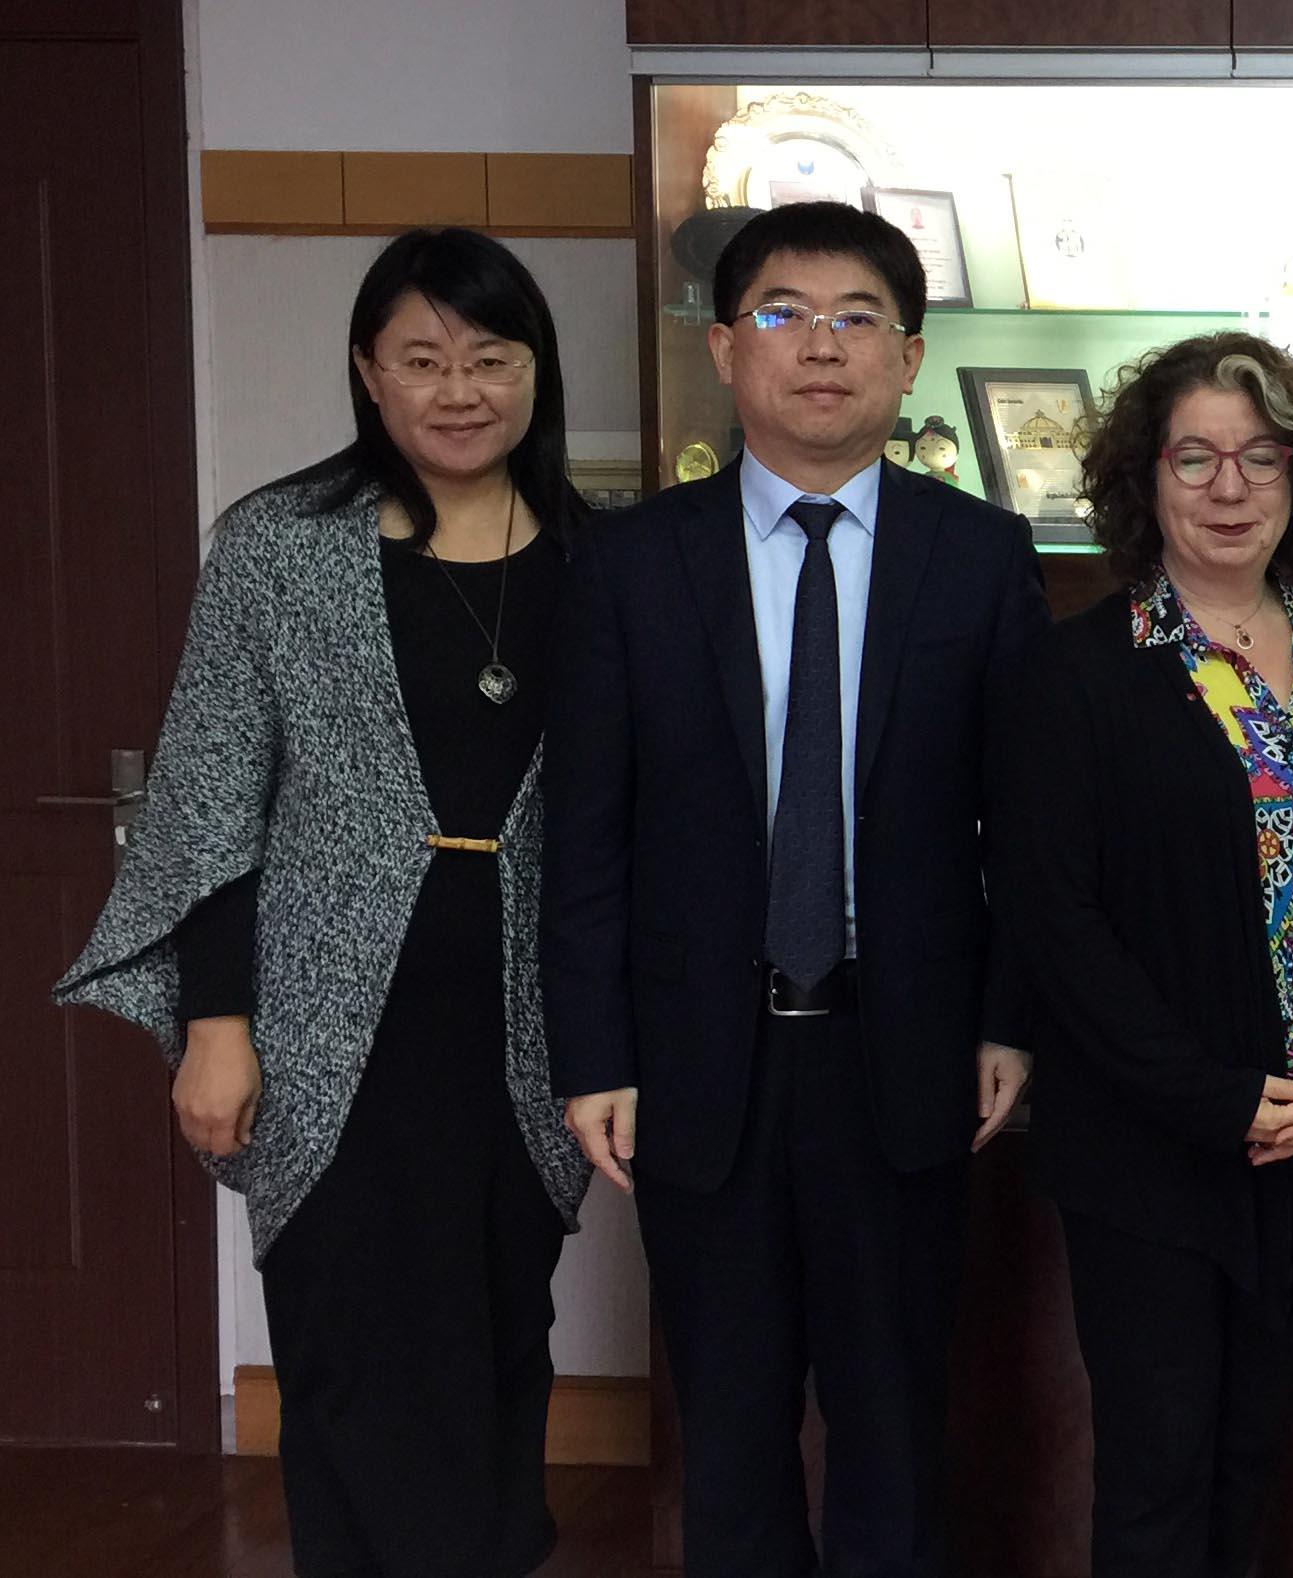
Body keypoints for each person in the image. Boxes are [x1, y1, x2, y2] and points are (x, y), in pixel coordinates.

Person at [54, 228, 593, 1576]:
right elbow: (208, 798)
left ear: (536, 371)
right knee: (353, 1356)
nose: (458, 390)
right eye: (422, 359)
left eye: (490, 357)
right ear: (367, 372)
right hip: (325, 1037)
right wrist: (214, 1023)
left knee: (500, 1342)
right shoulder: (279, 548)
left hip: (532, 1038)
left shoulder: (607, 559)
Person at [539, 200, 1047, 1577]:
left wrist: (1006, 1019)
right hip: (701, 1062)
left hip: (909, 1052)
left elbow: (1027, 824)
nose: (821, 346)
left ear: (908, 358)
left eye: (857, 318)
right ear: (723, 348)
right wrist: (594, 1053)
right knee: (731, 1436)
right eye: (782, 313)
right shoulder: (633, 561)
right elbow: (586, 833)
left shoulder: (979, 555)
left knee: (898, 1429)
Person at [986, 331, 1293, 1577]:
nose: (1230, 488)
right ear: (1147, 479)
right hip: (1151, 1149)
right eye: (1195, 458)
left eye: (1261, 457)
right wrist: (1220, 1099)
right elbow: (1056, 923)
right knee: (1158, 1476)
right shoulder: (1076, 671)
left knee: (1252, 1463)